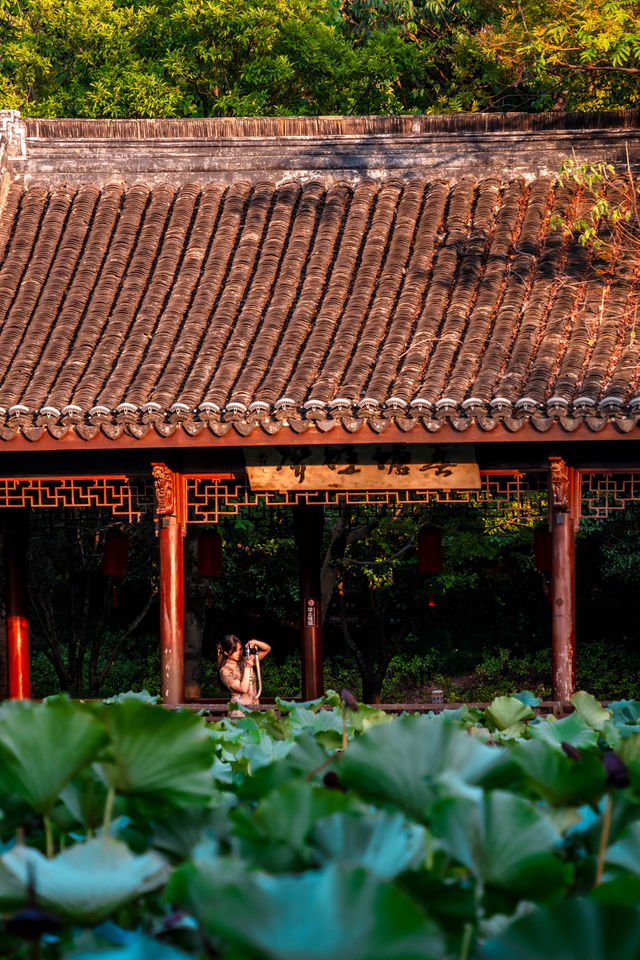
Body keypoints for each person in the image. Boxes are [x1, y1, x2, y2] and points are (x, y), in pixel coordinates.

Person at [217, 633, 271, 716]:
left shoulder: (245, 660)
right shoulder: (225, 670)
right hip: (239, 711)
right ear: (226, 653)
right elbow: (243, 688)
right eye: (235, 651)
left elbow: (267, 649)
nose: (239, 653)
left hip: (254, 709)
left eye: (240, 649)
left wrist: (255, 642)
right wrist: (248, 667)